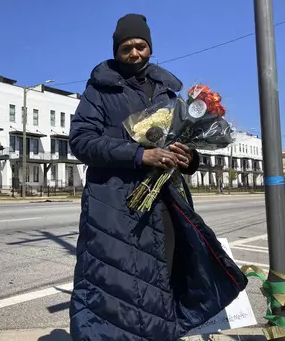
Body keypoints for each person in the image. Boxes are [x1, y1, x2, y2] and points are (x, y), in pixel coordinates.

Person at [68, 14, 247, 341]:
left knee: (159, 285)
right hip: (115, 207)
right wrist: (139, 154)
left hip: (164, 204)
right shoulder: (99, 90)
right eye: (126, 48)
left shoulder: (168, 92)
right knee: (116, 288)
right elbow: (81, 141)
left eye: (140, 46)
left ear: (150, 47)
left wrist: (189, 157)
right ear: (116, 51)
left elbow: (184, 139)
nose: (134, 54)